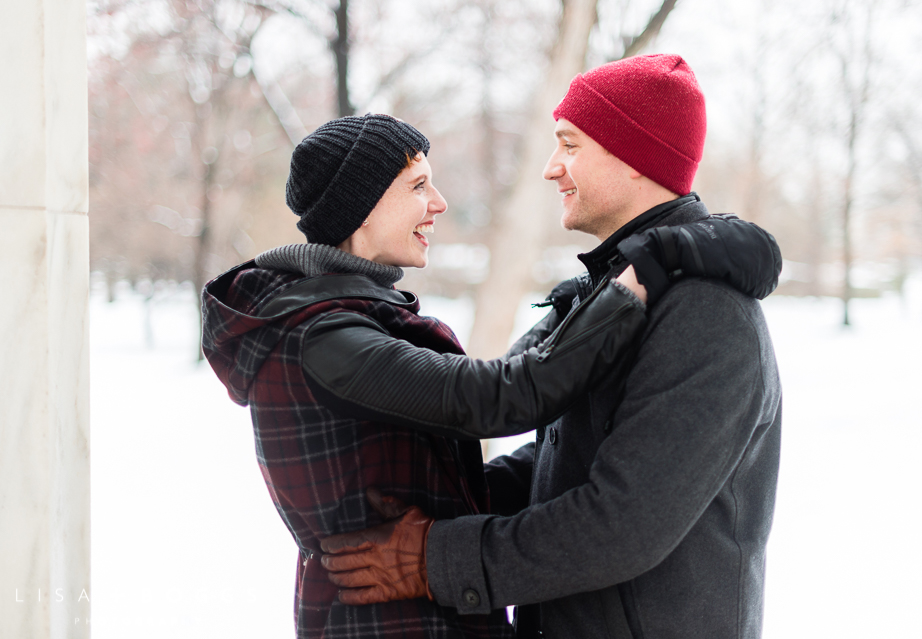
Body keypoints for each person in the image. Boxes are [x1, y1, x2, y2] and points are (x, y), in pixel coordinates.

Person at [319, 55, 783, 639]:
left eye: (569, 144)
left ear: (635, 158)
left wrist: (432, 559)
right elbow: (577, 454)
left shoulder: (705, 313)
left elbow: (621, 524)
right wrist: (460, 497)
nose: (550, 168)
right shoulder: (624, 288)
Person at [201, 113, 706, 638]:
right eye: (419, 186)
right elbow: (503, 397)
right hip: (387, 625)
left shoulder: (345, 320)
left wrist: (574, 308)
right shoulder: (323, 340)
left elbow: (450, 462)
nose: (438, 203)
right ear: (363, 207)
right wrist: (639, 276)